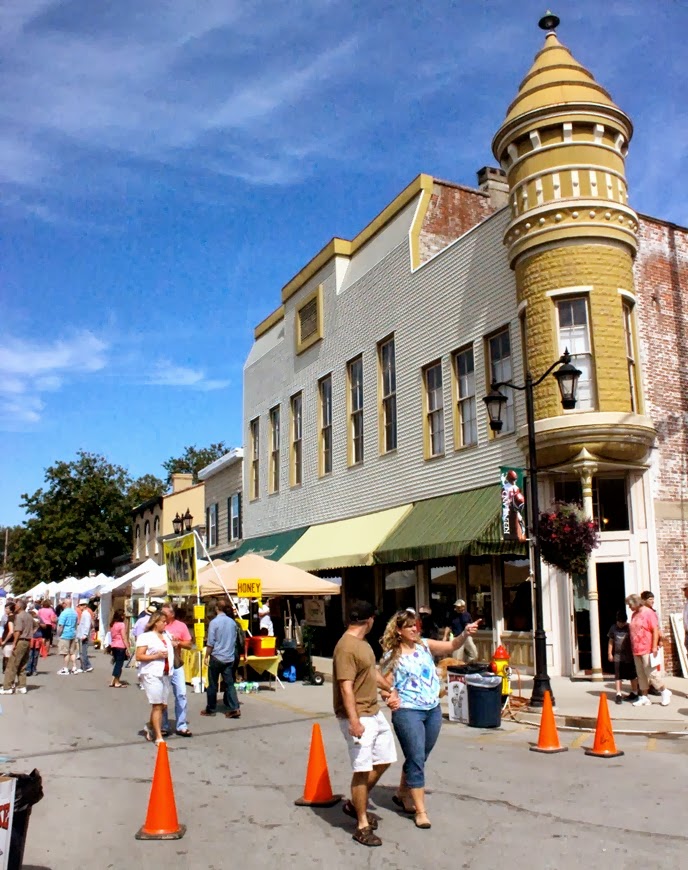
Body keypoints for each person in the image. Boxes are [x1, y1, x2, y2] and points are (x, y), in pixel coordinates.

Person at [380, 608, 480, 830]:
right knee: (415, 757)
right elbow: (383, 685)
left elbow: (452, 647)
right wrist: (390, 697)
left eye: (416, 625)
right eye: (409, 626)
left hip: (432, 709)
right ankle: (421, 811)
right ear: (398, 631)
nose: (415, 629)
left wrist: (465, 633)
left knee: (420, 756)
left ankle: (402, 793)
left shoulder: (425, 645)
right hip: (407, 711)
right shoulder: (392, 655)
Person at [332, 601, 396, 848]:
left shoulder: (362, 644)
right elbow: (345, 686)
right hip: (358, 714)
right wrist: (354, 721)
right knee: (362, 768)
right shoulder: (346, 647)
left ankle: (354, 802)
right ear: (369, 620)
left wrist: (389, 689)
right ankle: (361, 825)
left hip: (373, 711)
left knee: (385, 759)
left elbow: (371, 673)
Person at [135, 611, 174, 744]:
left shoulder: (166, 635)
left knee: (163, 705)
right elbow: (139, 656)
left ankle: (150, 726)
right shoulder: (146, 637)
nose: (165, 624)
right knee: (157, 705)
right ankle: (158, 736)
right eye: (163, 622)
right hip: (151, 673)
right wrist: (155, 656)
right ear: (155, 622)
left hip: (166, 673)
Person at [626, 593, 671, 707]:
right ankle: (644, 697)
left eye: (630, 605)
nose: (629, 607)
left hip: (646, 647)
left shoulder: (648, 613)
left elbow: (655, 630)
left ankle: (664, 691)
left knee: (651, 673)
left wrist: (654, 646)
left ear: (636, 603)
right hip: (636, 648)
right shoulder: (634, 614)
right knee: (641, 675)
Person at [201, 600, 240, 719]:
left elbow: (210, 642)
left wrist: (207, 655)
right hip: (229, 657)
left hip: (216, 656)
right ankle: (234, 707)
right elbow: (234, 640)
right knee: (229, 684)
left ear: (217, 608)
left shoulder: (214, 622)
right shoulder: (233, 623)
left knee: (212, 684)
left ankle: (211, 708)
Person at [160, 603, 193, 737]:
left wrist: (178, 642)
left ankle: (181, 725)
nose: (162, 616)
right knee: (162, 697)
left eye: (164, 614)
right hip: (162, 665)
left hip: (176, 664)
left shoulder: (181, 626)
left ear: (171, 614)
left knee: (181, 694)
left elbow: (189, 644)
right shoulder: (159, 625)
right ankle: (164, 725)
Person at [1, 599, 35, 694]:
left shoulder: (19, 617)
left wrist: (14, 643)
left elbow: (17, 631)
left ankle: (7, 687)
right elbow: (36, 625)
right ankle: (22, 686)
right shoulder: (29, 615)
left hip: (21, 641)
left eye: (15, 605)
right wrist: (30, 633)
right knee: (22, 664)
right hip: (27, 641)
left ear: (19, 606)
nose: (14, 607)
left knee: (12, 665)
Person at [607, 610, 638, 704]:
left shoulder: (629, 627)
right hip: (618, 655)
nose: (621, 624)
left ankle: (635, 692)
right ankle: (618, 694)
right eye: (619, 622)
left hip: (629, 656)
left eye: (623, 622)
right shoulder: (613, 628)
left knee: (632, 675)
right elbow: (611, 641)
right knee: (618, 675)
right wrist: (609, 653)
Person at [640, 590, 664, 696]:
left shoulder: (654, 612)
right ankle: (645, 687)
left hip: (653, 642)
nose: (652, 601)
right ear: (644, 600)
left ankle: (653, 686)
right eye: (650, 599)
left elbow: (658, 627)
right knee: (645, 666)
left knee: (654, 665)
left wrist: (660, 640)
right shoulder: (640, 612)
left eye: (653, 599)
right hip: (644, 642)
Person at [56, 599, 78, 675]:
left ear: (65, 604)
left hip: (65, 634)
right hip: (72, 633)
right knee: (72, 652)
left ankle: (65, 668)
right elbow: (76, 624)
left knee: (65, 652)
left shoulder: (64, 613)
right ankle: (74, 667)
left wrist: (58, 634)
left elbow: (61, 625)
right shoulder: (74, 612)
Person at [109, 610, 129, 688]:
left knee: (117, 663)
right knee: (119, 664)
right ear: (121, 616)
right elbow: (124, 637)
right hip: (121, 646)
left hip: (114, 645)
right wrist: (127, 647)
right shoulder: (121, 625)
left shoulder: (113, 624)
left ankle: (115, 680)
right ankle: (115, 681)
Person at [75, 599, 94, 673]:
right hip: (82, 634)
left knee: (83, 652)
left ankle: (86, 666)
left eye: (80, 605)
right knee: (82, 652)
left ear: (84, 605)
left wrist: (85, 634)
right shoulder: (84, 613)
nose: (79, 607)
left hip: (83, 635)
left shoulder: (86, 614)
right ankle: (84, 666)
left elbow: (87, 625)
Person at [1, 603, 16, 674]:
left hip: (9, 642)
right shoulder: (13, 617)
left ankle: (9, 681)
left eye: (7, 608)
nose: (5, 610)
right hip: (10, 641)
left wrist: (4, 641)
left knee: (8, 660)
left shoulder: (11, 618)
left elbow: (11, 631)